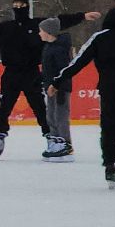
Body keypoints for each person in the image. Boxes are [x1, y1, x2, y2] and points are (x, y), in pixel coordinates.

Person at [0, 0, 97, 157]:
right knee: (4, 108)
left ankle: (50, 138)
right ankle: (0, 135)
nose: (18, 8)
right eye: (15, 5)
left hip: (32, 74)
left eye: (21, 5)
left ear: (27, 6)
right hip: (11, 74)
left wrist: (82, 16)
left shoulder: (38, 25)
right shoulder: (6, 28)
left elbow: (58, 22)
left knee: (40, 108)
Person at [50, 3, 115, 187]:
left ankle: (110, 169)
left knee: (108, 129)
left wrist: (57, 81)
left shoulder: (98, 38)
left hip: (107, 91)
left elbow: (77, 62)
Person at [37, 17, 76, 161]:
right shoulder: (49, 47)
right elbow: (48, 69)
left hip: (60, 89)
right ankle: (55, 142)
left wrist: (57, 85)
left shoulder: (60, 49)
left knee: (60, 116)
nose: (39, 33)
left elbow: (63, 70)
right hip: (50, 87)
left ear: (48, 32)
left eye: (40, 31)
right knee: (51, 116)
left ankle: (65, 145)